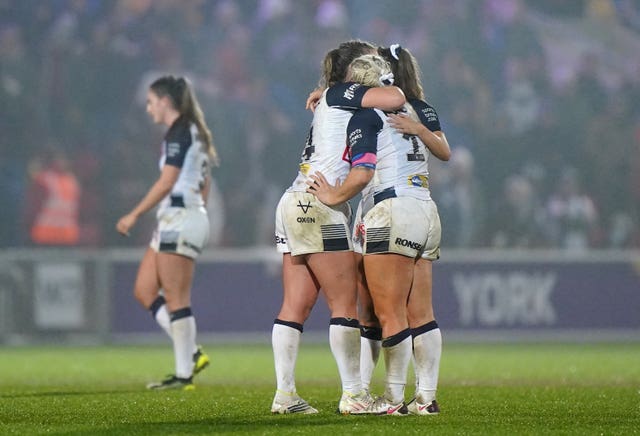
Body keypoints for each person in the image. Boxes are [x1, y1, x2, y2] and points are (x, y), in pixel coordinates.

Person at [308, 48, 450, 415]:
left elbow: (364, 171)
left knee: (389, 314)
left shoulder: (367, 117)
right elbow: (443, 151)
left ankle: (392, 398)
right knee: (423, 313)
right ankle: (427, 398)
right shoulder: (418, 108)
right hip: (426, 209)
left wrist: (332, 194)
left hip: (391, 209)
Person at [271, 41, 405, 415]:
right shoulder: (345, 95)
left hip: (291, 200)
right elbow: (395, 97)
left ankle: (285, 395)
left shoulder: (334, 100)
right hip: (318, 203)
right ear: (354, 73)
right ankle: (355, 396)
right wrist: (336, 197)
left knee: (295, 305)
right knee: (345, 305)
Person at [116, 75, 219, 390]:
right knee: (145, 290)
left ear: (164, 101)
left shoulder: (179, 132)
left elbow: (166, 181)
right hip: (179, 216)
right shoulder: (193, 131)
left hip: (179, 216)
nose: (148, 109)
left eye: (150, 102)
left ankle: (183, 374)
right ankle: (191, 352)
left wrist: (134, 213)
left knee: (176, 297)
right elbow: (206, 184)